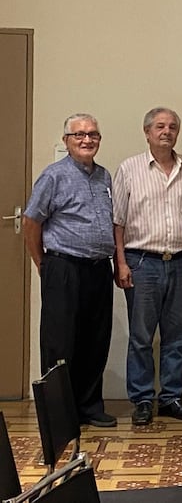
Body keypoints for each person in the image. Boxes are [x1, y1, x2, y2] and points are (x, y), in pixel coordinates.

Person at [22, 114, 116, 427]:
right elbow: (31, 222)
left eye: (93, 134)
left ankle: (89, 406)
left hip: (99, 268)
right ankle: (58, 415)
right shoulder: (53, 176)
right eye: (79, 135)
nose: (87, 140)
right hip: (63, 267)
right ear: (67, 141)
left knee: (95, 339)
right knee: (60, 342)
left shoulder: (104, 176)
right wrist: (42, 264)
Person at [113, 107, 182, 426]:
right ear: (147, 131)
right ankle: (141, 399)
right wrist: (120, 263)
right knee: (141, 336)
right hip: (141, 263)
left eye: (173, 126)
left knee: (178, 335)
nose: (167, 131)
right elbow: (118, 222)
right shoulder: (129, 169)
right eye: (160, 126)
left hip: (178, 263)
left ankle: (171, 398)